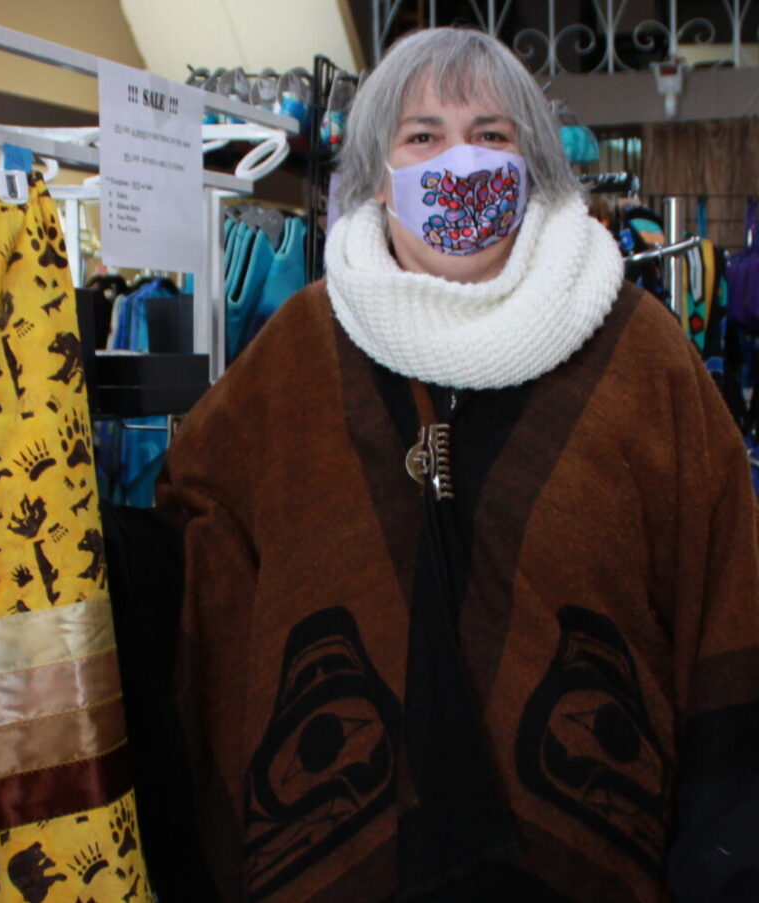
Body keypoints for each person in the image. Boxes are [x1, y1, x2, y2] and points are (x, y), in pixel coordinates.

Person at [105, 27, 759, 903]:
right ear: (379, 176)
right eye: (423, 137)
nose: (460, 161)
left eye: (491, 135)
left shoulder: (640, 351)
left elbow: (724, 586)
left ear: (535, 164)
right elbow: (198, 559)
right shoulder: (300, 346)